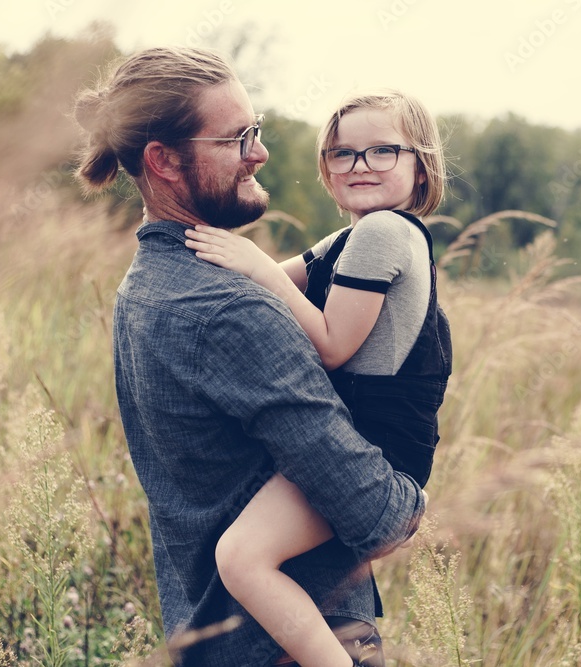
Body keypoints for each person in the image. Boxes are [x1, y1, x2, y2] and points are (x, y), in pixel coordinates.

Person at [73, 47, 425, 666]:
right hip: (285, 646)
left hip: (207, 633)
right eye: (238, 137)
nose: (259, 153)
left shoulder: (147, 284)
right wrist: (410, 500)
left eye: (255, 131)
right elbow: (375, 514)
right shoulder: (233, 310)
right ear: (163, 159)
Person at [184, 90, 452, 667]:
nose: (359, 166)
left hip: (376, 455)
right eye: (341, 154)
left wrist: (253, 261)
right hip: (361, 442)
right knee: (246, 553)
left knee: (242, 557)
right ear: (326, 169)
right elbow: (268, 287)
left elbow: (331, 345)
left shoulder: (384, 232)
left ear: (420, 163)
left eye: (382, 151)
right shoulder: (353, 238)